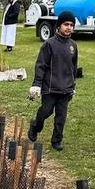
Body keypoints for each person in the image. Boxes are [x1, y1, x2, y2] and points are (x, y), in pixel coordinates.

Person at [27, 10, 78, 151]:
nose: (69, 27)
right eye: (66, 24)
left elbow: (73, 67)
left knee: (61, 117)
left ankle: (57, 140)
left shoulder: (73, 45)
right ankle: (35, 125)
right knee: (45, 111)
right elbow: (41, 65)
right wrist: (37, 84)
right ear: (59, 26)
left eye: (71, 25)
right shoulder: (49, 44)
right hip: (50, 87)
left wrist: (72, 86)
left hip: (66, 88)